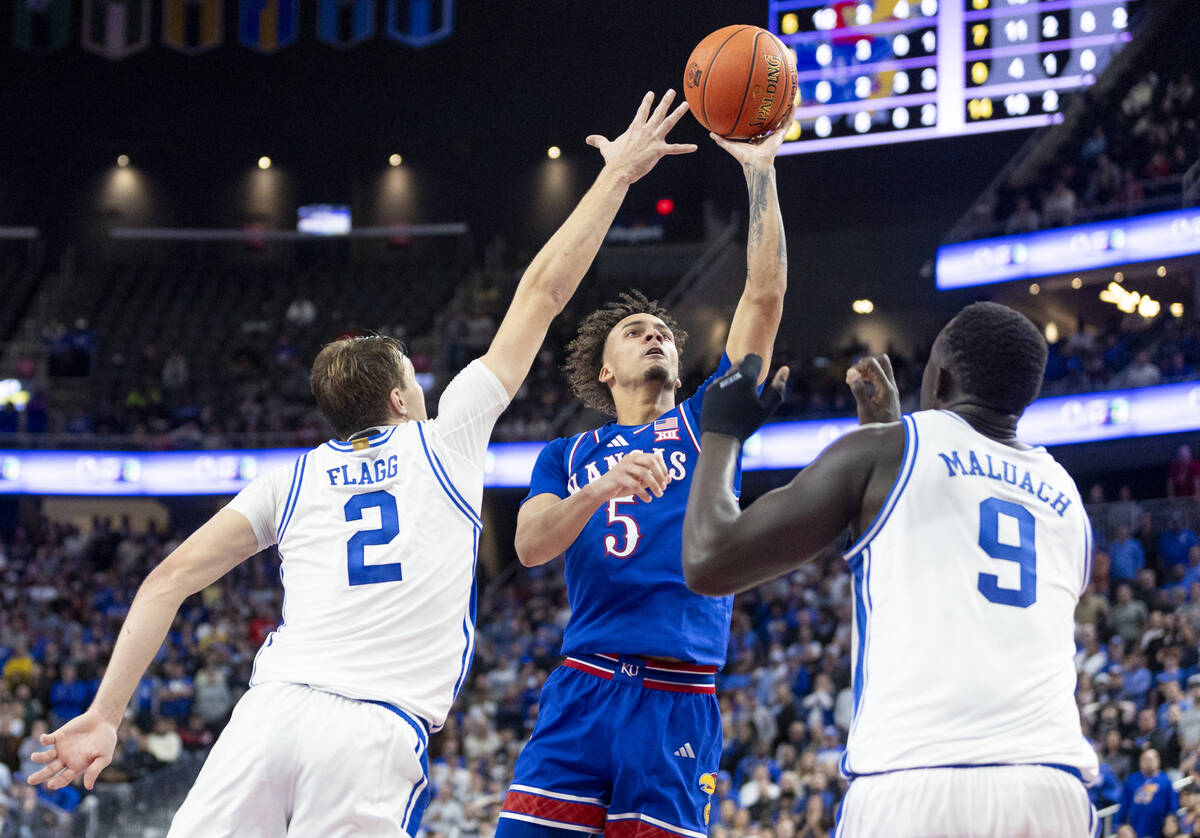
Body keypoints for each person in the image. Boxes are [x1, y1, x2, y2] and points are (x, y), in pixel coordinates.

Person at [26, 90, 698, 838]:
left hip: (268, 715)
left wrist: (103, 714)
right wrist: (616, 179)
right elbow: (542, 292)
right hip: (370, 729)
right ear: (400, 397)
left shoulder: (291, 479)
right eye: (416, 376)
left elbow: (166, 580)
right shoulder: (446, 437)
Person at [682, 302, 1099, 835]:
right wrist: (889, 435)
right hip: (1053, 788)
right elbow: (960, 549)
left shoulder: (891, 450)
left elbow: (708, 560)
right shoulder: (1065, 494)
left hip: (916, 780)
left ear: (939, 377)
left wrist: (721, 432)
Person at [496, 120, 790, 838]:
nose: (654, 334)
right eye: (636, 332)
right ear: (604, 370)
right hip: (584, 687)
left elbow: (763, 298)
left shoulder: (706, 421)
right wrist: (599, 488)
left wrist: (759, 169)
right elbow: (531, 546)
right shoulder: (567, 455)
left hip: (678, 695)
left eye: (662, 331)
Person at [1119, 749, 1177, 838]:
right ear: (1140, 761)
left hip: (1159, 830)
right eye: (1145, 759)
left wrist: (1170, 821)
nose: (1148, 762)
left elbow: (1172, 807)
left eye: (1151, 759)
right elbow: (1123, 805)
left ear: (1158, 761)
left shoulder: (1166, 781)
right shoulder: (1132, 780)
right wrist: (1121, 826)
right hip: (1134, 830)